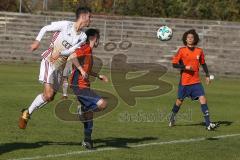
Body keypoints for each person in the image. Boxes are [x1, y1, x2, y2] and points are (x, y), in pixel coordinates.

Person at [18, 7, 92, 129]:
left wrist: (78, 67)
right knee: (48, 95)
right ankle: (27, 114)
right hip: (49, 61)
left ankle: (27, 112)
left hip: (59, 67)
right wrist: (37, 41)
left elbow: (72, 51)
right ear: (83, 17)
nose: (91, 19)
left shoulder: (83, 37)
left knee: (50, 97)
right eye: (90, 17)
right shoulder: (65, 25)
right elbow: (45, 28)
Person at [169, 29, 218, 131]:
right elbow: (174, 64)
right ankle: (172, 117)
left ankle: (208, 124)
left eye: (192, 37)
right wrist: (185, 67)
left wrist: (207, 75)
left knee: (203, 99)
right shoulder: (182, 50)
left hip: (196, 81)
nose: (190, 39)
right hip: (185, 82)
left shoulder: (199, 51)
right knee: (179, 101)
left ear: (195, 39)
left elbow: (203, 63)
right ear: (185, 40)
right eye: (188, 37)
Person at [69, 28, 108, 149]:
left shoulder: (89, 51)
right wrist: (80, 70)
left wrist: (98, 76)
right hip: (79, 86)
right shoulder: (85, 47)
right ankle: (82, 111)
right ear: (94, 38)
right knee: (102, 104)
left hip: (83, 86)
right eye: (98, 38)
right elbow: (72, 56)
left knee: (89, 114)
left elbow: (87, 70)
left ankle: (87, 140)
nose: (99, 41)